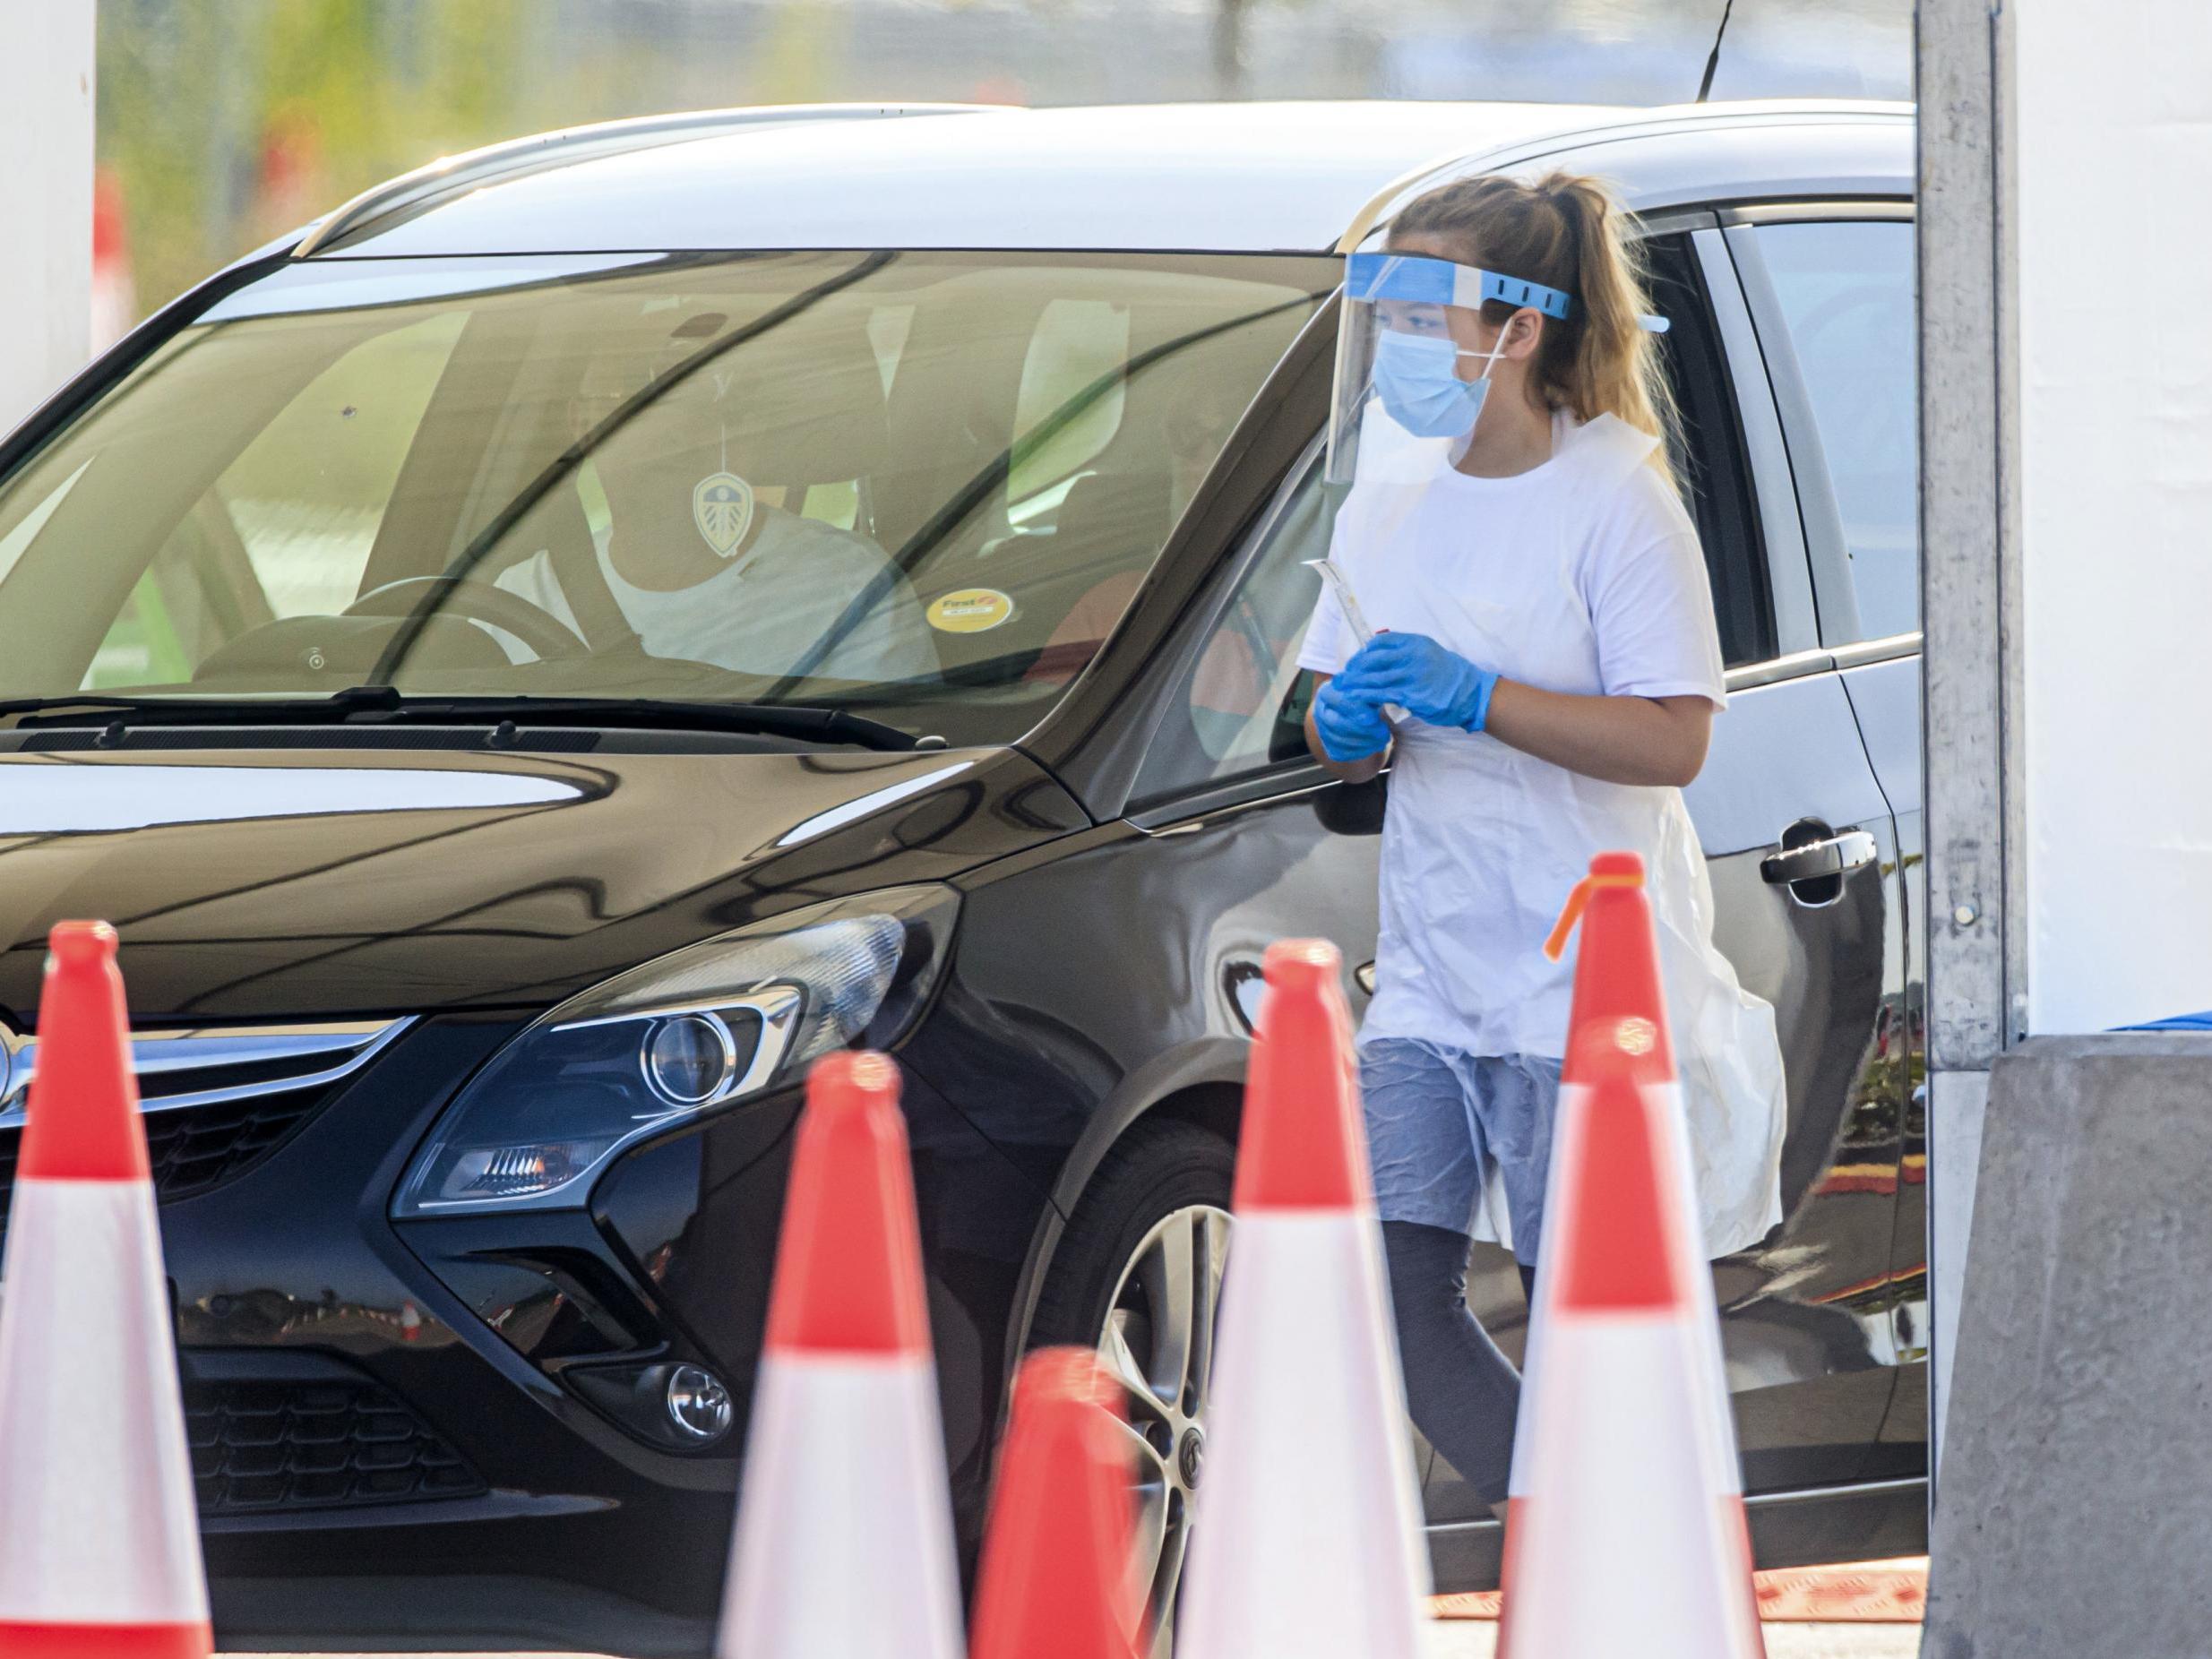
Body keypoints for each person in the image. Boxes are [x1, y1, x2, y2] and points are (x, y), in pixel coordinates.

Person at [1296, 172, 1787, 1517]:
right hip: (1433, 971)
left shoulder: (1615, 499)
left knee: (1590, 1328)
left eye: (1420, 315)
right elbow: (1341, 723)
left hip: (1586, 976)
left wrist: (1480, 698)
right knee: (1389, 1299)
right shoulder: (1388, 496)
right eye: (1380, 314)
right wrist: (1342, 725)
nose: (1394, 345)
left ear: (1515, 331)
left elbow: (1674, 737)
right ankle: (1588, 1535)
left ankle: (1620, 1569)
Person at [491, 316, 935, 684]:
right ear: (582, 423)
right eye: (638, 398)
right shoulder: (519, 598)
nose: (673, 429)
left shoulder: (849, 587)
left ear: (747, 430)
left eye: (703, 402)